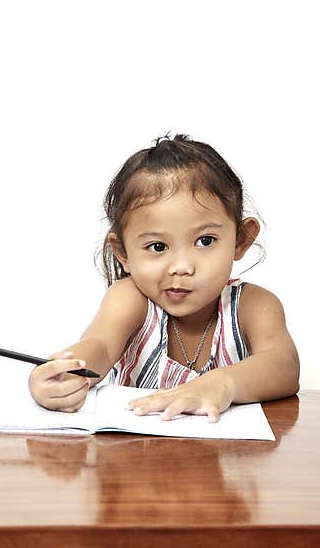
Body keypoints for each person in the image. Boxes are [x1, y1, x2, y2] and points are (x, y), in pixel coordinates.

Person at [28, 134, 299, 422]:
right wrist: (64, 371)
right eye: (158, 247)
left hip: (224, 461)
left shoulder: (254, 305)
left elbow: (284, 365)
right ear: (123, 253)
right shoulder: (131, 299)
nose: (181, 267)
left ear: (240, 241)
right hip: (137, 461)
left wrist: (223, 384)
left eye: (205, 241)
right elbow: (100, 346)